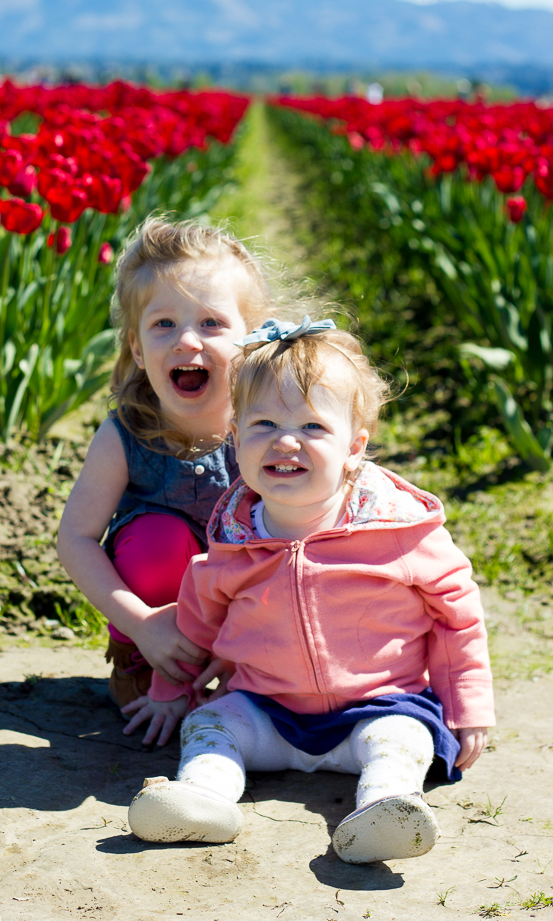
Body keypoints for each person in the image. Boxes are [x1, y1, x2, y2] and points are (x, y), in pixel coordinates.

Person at [124, 316, 495, 864]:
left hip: (378, 707)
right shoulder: (233, 541)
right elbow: (196, 627)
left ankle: (387, 808)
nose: (286, 441)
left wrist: (469, 705)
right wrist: (168, 692)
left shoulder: (396, 530)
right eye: (264, 424)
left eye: (313, 428)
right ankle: (204, 799)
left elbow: (457, 617)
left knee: (403, 741)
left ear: (355, 446)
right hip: (268, 712)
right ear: (235, 439)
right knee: (210, 724)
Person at [57, 217, 274, 712]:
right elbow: (74, 538)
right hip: (154, 605)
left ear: (252, 338)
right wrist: (139, 623)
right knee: (158, 544)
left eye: (211, 323)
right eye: (164, 324)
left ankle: (252, 670)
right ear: (137, 346)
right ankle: (146, 662)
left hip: (247, 609)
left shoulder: (266, 430)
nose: (187, 341)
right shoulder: (124, 436)